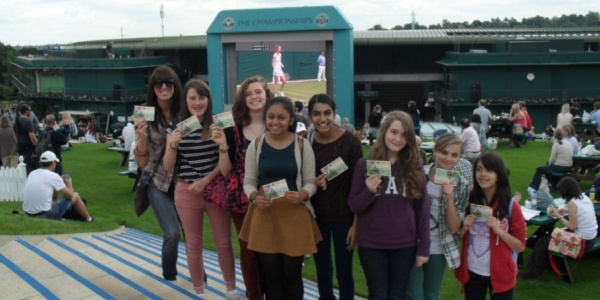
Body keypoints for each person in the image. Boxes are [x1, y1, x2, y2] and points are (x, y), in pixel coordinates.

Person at [164, 80, 246, 299]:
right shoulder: (176, 126)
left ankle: (231, 289)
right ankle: (199, 291)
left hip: (216, 191)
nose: (197, 102)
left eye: (202, 97)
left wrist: (206, 179)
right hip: (186, 192)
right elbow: (167, 165)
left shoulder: (219, 124)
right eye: (193, 98)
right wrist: (173, 144)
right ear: (186, 101)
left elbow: (226, 165)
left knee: (223, 242)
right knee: (193, 244)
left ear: (208, 100)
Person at [240, 96, 321, 300]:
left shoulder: (302, 145)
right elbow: (249, 181)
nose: (275, 122)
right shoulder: (256, 145)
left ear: (291, 120)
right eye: (271, 117)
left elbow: (311, 182)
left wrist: (303, 194)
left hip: (294, 216)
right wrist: (254, 197)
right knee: (271, 276)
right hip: (266, 216)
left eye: (281, 117)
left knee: (292, 275)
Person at [348, 110, 430, 299]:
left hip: (404, 243)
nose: (398, 139)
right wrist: (369, 191)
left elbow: (422, 209)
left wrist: (424, 247)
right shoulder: (364, 164)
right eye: (394, 132)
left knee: (397, 294)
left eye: (404, 134)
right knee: (378, 294)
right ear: (384, 131)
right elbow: (354, 205)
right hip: (372, 243)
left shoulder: (414, 165)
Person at [211, 75, 273, 300]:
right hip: (243, 199)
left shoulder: (277, 122)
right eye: (248, 93)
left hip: (273, 197)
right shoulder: (233, 127)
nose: (254, 97)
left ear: (266, 94)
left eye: (258, 92)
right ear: (243, 99)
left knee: (271, 251)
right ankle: (254, 295)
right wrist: (223, 148)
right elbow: (227, 171)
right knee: (249, 253)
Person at [308, 94, 362, 300]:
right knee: (323, 270)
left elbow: (359, 185)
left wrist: (356, 225)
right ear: (310, 116)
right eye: (316, 114)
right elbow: (302, 177)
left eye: (327, 113)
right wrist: (313, 181)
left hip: (344, 218)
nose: (322, 118)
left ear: (335, 114)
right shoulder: (307, 142)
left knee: (344, 271)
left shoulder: (350, 142)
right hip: (316, 217)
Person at [407, 133, 470, 300]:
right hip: (412, 243)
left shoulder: (461, 184)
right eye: (444, 152)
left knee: (431, 294)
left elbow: (455, 227)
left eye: (454, 155)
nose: (448, 158)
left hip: (439, 247)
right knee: (413, 295)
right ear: (434, 151)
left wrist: (449, 197)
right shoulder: (418, 174)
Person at [455, 152, 526, 299]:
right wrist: (464, 227)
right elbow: (459, 236)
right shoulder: (470, 199)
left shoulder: (511, 206)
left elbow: (520, 246)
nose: (483, 174)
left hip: (501, 273)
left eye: (489, 170)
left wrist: (499, 230)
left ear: (499, 175)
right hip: (472, 272)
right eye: (479, 169)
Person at [134, 65, 182, 281]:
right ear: (153, 88)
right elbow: (143, 162)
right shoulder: (145, 114)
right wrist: (142, 137)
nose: (164, 87)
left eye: (169, 82)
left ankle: (201, 274)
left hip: (183, 180)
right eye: (159, 83)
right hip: (158, 180)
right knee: (172, 233)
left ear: (175, 85)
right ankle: (169, 276)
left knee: (192, 234)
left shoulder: (184, 112)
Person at [521, 177, 597, 280]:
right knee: (552, 235)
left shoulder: (572, 204)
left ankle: (535, 273)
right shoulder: (584, 197)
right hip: (591, 238)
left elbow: (572, 226)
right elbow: (581, 212)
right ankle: (548, 264)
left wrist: (559, 216)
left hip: (581, 243)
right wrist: (566, 211)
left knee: (542, 242)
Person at [22, 151, 93, 222]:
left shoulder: (33, 173)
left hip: (28, 214)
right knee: (76, 195)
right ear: (53, 163)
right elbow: (70, 196)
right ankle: (89, 219)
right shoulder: (54, 176)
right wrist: (69, 183)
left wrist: (58, 182)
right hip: (45, 215)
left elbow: (54, 199)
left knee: (56, 202)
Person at [526, 128, 573, 197]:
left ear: (555, 136)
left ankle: (533, 188)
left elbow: (551, 160)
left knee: (539, 169)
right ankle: (555, 185)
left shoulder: (556, 145)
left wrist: (549, 164)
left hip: (560, 167)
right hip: (569, 166)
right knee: (547, 169)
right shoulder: (568, 143)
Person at [13, 104, 38, 173]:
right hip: (28, 147)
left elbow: (14, 134)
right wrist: (36, 143)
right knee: (29, 166)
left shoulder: (16, 122)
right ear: (26, 111)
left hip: (20, 147)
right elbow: (31, 135)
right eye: (29, 110)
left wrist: (17, 143)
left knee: (21, 165)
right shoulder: (28, 122)